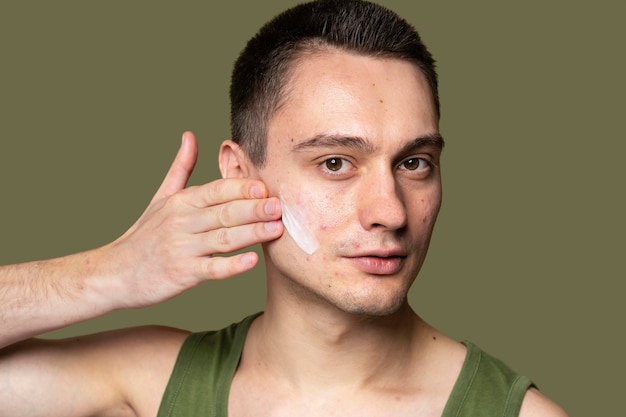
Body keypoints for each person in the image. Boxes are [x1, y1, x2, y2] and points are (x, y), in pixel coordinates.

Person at [0, 1, 568, 416]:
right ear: (241, 175)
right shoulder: (148, 383)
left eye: (414, 163)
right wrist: (112, 273)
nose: (391, 213)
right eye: (336, 163)